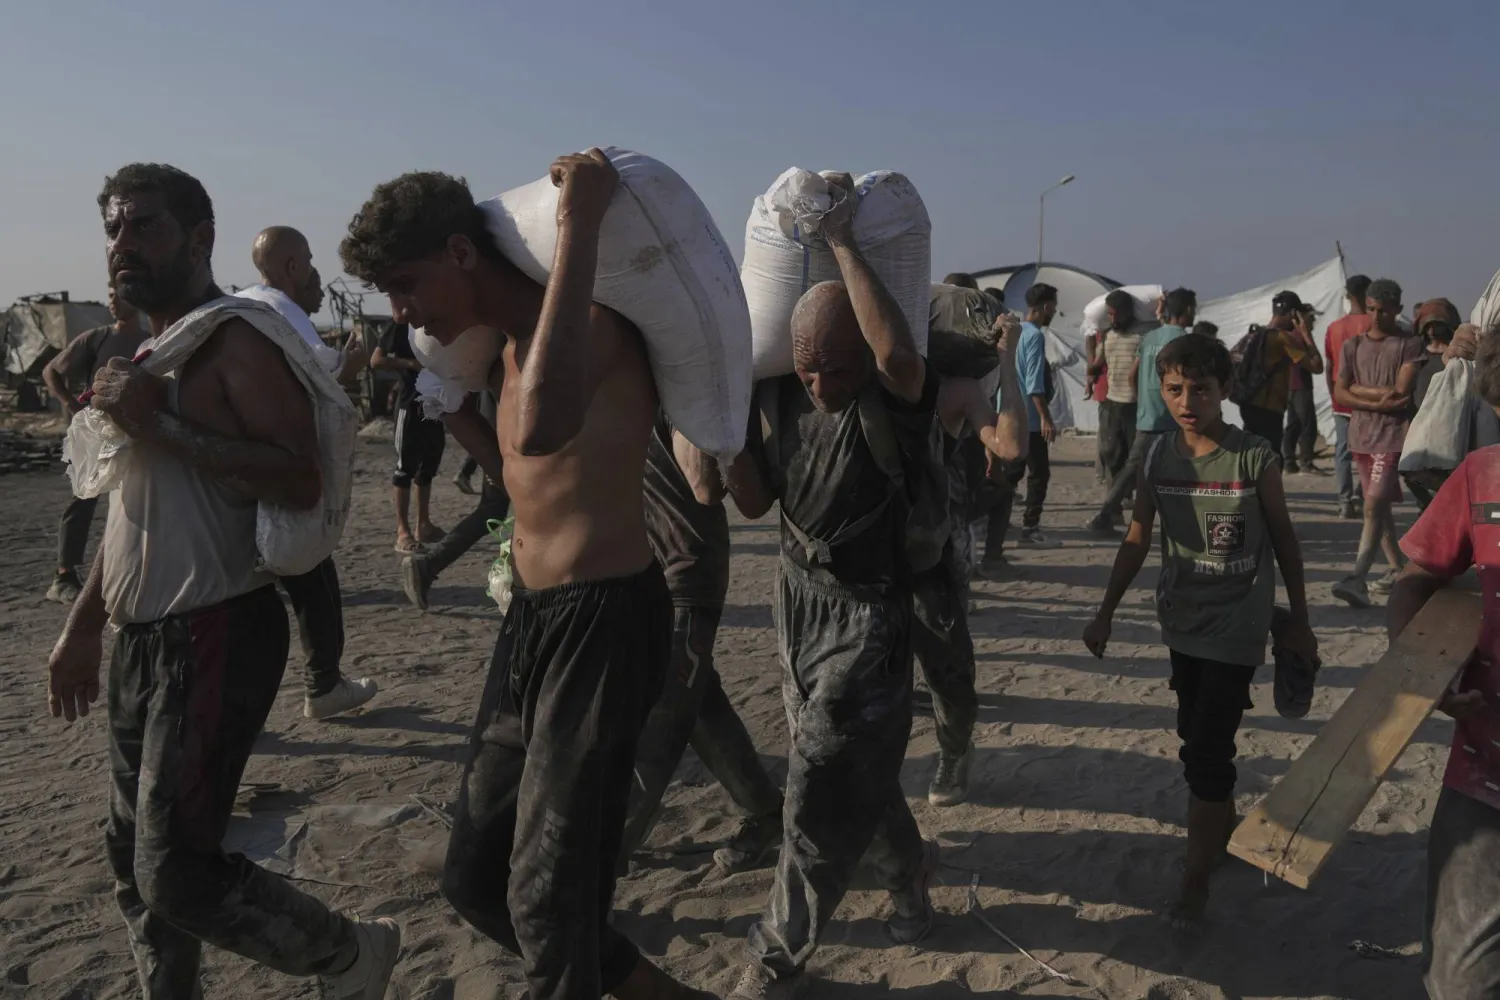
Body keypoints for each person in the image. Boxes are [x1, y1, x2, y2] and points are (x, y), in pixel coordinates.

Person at [341, 153, 713, 999]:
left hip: (607, 623)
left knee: (548, 899)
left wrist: (578, 218)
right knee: (474, 881)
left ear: (462, 254)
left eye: (405, 284)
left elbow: (547, 427)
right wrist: (460, 412)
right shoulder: (505, 354)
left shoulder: (589, 324)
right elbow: (528, 478)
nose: (399, 312)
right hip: (533, 623)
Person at [46, 163, 397, 999]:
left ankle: (350, 954)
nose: (122, 247)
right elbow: (132, 507)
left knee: (174, 870)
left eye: (145, 228)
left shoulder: (231, 341)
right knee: (131, 864)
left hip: (216, 628)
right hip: (141, 636)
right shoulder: (143, 350)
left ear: (199, 238)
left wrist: (159, 422)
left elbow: (298, 477)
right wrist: (85, 624)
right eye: (113, 230)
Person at [718, 174, 940, 999]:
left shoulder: (891, 399)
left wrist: (842, 238)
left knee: (812, 784)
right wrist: (719, 431)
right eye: (810, 370)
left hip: (871, 615)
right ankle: (910, 870)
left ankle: (775, 957)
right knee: (854, 763)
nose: (823, 386)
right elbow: (748, 503)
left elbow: (896, 357)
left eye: (836, 371)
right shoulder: (778, 394)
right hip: (795, 604)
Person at [1082, 333, 1316, 931]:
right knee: (1197, 734)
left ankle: (1193, 881)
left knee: (1205, 752)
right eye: (1176, 389)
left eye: (1201, 390)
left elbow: (1285, 540)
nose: (1188, 401)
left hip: (1239, 627)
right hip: (1181, 624)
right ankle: (1223, 827)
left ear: (1225, 392)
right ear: (1162, 391)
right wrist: (1106, 609)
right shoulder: (1159, 458)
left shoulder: (1254, 457)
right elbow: (1137, 537)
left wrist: (1301, 622)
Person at [616, 415, 785, 874]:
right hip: (640, 574)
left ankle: (595, 863)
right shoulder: (624, 382)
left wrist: (694, 413)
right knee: (701, 708)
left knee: (659, 727)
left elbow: (707, 488)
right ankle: (768, 813)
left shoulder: (685, 387)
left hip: (684, 577)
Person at [1388, 331, 1500, 999]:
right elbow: (1417, 577)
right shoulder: (1480, 475)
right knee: (1461, 979)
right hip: (1486, 771)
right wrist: (1420, 671)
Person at [235, 226, 378, 720]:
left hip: (238, 466)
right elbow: (321, 385)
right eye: (310, 260)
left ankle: (227, 708)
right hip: (281, 465)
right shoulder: (281, 311)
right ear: (293, 265)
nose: (315, 271)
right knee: (311, 572)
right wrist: (354, 365)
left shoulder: (244, 306)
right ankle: (323, 685)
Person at [915, 319, 1030, 807]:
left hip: (938, 537)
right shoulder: (863, 372)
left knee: (945, 660)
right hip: (874, 538)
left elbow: (1008, 447)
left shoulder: (957, 389)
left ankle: (954, 752)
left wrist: (1009, 362)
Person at [40, 283, 148, 603]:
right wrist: (73, 406)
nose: (112, 302)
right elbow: (51, 372)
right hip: (99, 432)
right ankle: (64, 576)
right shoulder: (98, 337)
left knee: (137, 499)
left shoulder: (150, 340)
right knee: (83, 499)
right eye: (110, 295)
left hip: (136, 433)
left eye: (119, 295)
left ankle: (134, 570)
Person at [1331, 278, 1425, 608]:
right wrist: (1374, 398)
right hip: (1361, 435)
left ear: (1396, 309)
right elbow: (1340, 391)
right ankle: (1401, 571)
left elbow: (1400, 394)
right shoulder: (1353, 346)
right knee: (1379, 508)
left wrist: (1359, 391)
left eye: (1383, 311)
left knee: (1372, 504)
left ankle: (1357, 577)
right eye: (1371, 309)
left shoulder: (1409, 345)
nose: (1376, 316)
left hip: (1391, 435)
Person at [1084, 288, 1198, 535]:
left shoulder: (1150, 338)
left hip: (1147, 417)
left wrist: (1144, 401)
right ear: (1188, 309)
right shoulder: (1184, 342)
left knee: (1134, 468)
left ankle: (1106, 516)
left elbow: (1132, 375)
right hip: (1171, 419)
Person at [399, 390, 515, 611]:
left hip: (500, 435)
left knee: (493, 511)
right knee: (506, 510)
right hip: (506, 436)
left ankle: (429, 564)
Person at [982, 282, 1061, 570]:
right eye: (1053, 306)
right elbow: (1034, 383)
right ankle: (1030, 529)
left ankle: (991, 522)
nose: (1054, 311)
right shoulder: (1036, 336)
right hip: (1027, 417)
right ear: (1043, 307)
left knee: (1011, 473)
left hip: (1007, 411)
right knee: (1039, 474)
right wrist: (1045, 417)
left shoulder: (1013, 332)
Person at [369, 320, 446, 554]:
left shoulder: (437, 318)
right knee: (405, 466)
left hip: (433, 403)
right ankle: (402, 531)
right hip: (409, 404)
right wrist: (409, 363)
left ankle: (424, 524)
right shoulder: (401, 325)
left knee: (429, 466)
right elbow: (376, 360)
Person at [1092, 290, 1158, 521]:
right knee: (1112, 457)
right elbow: (1097, 363)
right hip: (1112, 404)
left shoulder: (1145, 335)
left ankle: (1134, 506)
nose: (1111, 318)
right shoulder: (1109, 335)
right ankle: (1114, 510)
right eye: (1108, 314)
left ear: (1127, 312)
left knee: (1136, 461)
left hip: (1136, 407)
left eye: (1114, 314)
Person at [1239, 290, 1324, 448]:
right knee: (1270, 462)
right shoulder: (1282, 339)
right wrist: (1305, 333)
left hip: (1248, 405)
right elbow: (1317, 366)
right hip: (1269, 411)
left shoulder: (1252, 335)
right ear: (1293, 313)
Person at [1324, 275, 1373, 518]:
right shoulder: (1374, 325)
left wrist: (1334, 392)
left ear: (1347, 295)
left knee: (1342, 452)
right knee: (1369, 451)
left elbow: (1328, 364)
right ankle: (1362, 495)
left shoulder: (1334, 327)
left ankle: (1344, 503)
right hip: (1368, 399)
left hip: (1340, 398)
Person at [1281, 303, 1325, 475]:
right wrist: (1307, 335)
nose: (1313, 321)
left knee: (1294, 425)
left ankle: (1289, 462)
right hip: (1299, 386)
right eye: (1310, 317)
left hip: (1292, 386)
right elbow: (1317, 364)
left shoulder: (1291, 336)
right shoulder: (1299, 338)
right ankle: (1306, 463)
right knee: (1308, 425)